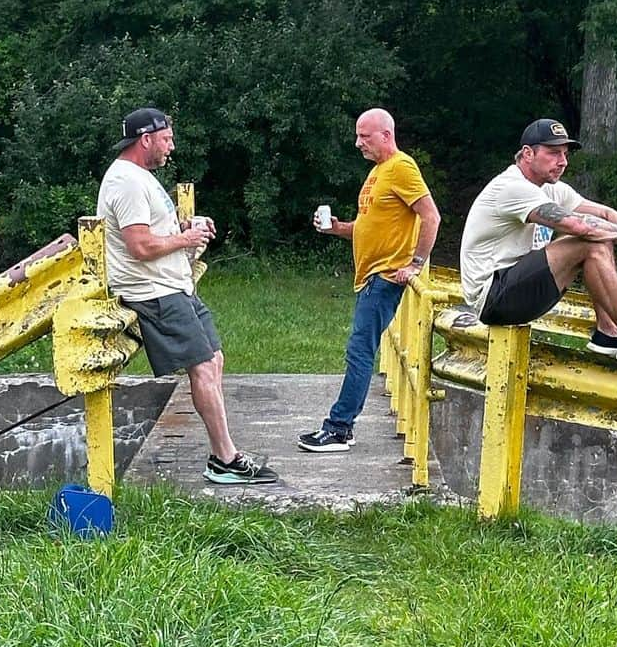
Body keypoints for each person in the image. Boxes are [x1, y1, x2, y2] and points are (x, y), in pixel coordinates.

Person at [97, 106, 278, 484]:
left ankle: (223, 453)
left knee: (214, 358)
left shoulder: (139, 176)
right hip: (153, 292)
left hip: (174, 285)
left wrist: (184, 226)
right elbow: (140, 247)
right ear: (145, 139)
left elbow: (150, 228)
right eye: (166, 139)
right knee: (202, 367)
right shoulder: (127, 181)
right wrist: (186, 239)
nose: (171, 147)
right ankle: (225, 459)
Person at [460, 118, 617, 368]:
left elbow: (605, 215)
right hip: (493, 299)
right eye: (553, 153)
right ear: (528, 153)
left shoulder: (549, 188)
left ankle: (608, 332)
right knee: (589, 240)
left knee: (598, 235)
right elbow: (580, 227)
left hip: (516, 287)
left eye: (565, 154)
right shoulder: (512, 187)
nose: (563, 162)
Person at [298, 108, 441, 452]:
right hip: (369, 278)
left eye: (365, 136)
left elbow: (431, 216)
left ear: (386, 135)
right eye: (358, 135)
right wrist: (336, 228)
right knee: (360, 350)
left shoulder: (402, 167)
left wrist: (416, 264)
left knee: (359, 351)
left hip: (385, 276)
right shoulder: (378, 173)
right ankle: (340, 426)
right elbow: (367, 228)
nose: (357, 142)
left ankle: (339, 428)